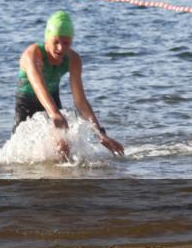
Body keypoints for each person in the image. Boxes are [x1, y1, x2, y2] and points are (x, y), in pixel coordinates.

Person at [15, 11, 124, 159]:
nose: (60, 48)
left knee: (63, 146)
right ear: (47, 38)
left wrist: (100, 134)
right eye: (56, 42)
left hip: (52, 101)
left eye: (66, 43)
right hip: (27, 105)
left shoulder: (73, 59)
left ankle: (64, 180)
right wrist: (54, 114)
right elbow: (39, 87)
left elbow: (80, 101)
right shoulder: (33, 54)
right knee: (23, 157)